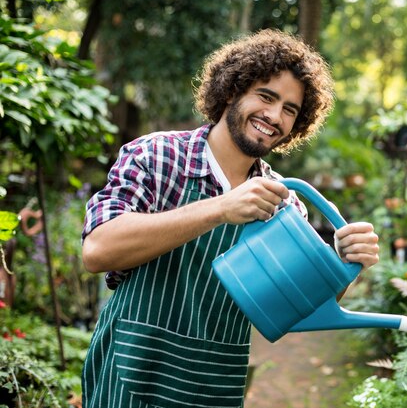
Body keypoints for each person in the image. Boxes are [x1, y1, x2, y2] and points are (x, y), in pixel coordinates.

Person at [80, 29, 380, 408]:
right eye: (266, 97)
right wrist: (220, 208)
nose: (274, 116)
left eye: (290, 109)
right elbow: (98, 249)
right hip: (132, 370)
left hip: (214, 384)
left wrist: (341, 264)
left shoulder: (285, 204)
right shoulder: (156, 156)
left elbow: (295, 310)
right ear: (231, 91)